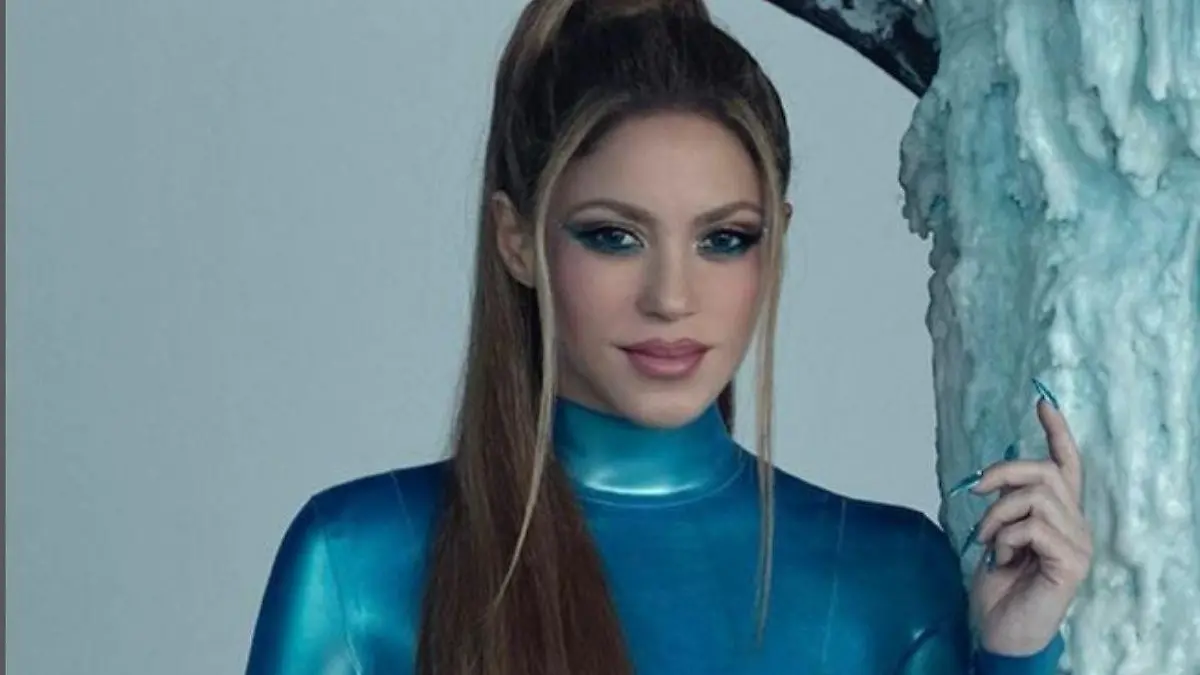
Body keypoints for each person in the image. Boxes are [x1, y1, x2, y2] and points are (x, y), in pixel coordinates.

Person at [244, 1, 1093, 673]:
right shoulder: (358, 567)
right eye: (614, 236)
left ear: (776, 240)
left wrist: (1017, 653)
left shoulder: (890, 578)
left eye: (724, 239)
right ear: (517, 240)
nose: (672, 298)